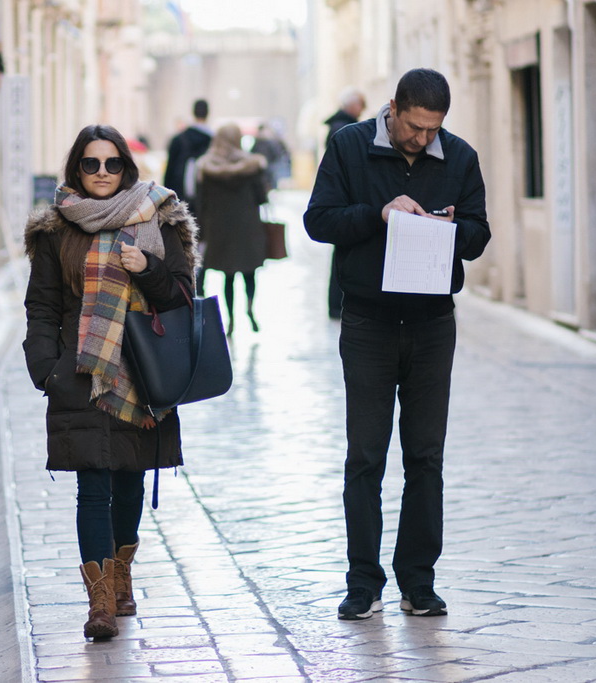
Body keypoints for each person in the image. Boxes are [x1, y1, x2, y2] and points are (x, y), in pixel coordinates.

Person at [304, 68, 490, 621]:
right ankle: (363, 583)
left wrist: (451, 228)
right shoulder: (348, 146)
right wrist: (379, 214)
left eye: (433, 129)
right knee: (365, 457)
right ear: (393, 108)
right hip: (368, 323)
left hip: (433, 325)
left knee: (426, 457)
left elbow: (479, 234)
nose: (422, 139)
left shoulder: (460, 156)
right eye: (414, 127)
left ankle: (419, 582)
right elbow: (318, 221)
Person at [23, 124, 198, 640]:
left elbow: (183, 298)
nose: (102, 172)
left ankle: (122, 579)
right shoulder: (56, 229)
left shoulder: (159, 219)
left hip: (142, 375)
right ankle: (100, 603)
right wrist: (46, 368)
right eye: (91, 163)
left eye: (112, 163)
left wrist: (148, 268)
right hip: (81, 374)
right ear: (76, 169)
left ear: (126, 167)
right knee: (92, 487)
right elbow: (42, 305)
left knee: (128, 482)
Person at [195, 122, 269, 336]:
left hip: (219, 229)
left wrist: (202, 230)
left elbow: (201, 201)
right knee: (249, 272)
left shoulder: (206, 167)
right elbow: (261, 197)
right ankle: (250, 307)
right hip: (248, 227)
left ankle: (231, 320)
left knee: (228, 276)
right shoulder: (252, 166)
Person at [323, 87, 367, 319]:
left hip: (343, 201)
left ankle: (337, 304)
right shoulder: (344, 130)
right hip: (345, 202)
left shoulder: (340, 126)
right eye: (360, 105)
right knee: (344, 256)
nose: (362, 109)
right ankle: (337, 304)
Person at [164, 99, 212, 292]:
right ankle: (201, 282)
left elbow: (168, 174)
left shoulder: (179, 140)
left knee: (181, 242)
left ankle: (185, 282)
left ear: (193, 112)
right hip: (205, 203)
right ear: (207, 113)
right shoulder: (213, 141)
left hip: (180, 200)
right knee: (203, 242)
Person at [251, 122, 291, 191]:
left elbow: (276, 154)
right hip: (261, 168)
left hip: (270, 166)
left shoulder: (270, 142)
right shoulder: (257, 142)